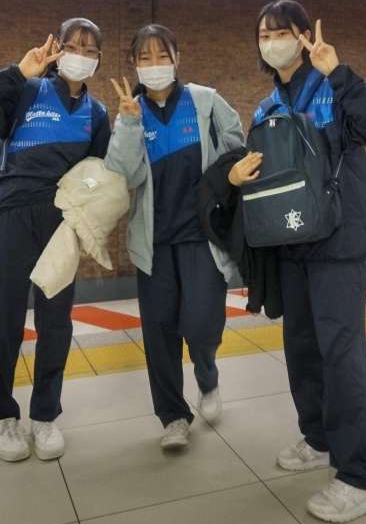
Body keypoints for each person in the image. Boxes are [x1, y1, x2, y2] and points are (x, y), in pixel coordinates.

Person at [229, 0, 366, 523]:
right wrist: (238, 176)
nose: (273, 42)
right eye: (264, 35)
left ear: (302, 35)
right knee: (302, 349)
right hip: (291, 248)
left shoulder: (334, 89)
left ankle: (359, 475)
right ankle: (316, 438)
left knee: (341, 354)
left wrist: (339, 73)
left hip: (337, 244)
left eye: (282, 32)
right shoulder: (266, 107)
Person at [105, 23, 254, 450]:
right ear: (134, 64)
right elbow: (124, 173)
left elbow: (235, 146)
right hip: (154, 242)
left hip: (201, 236)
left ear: (176, 58)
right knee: (160, 332)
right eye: (145, 58)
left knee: (203, 323)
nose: (154, 65)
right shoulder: (131, 111)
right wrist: (128, 125)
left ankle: (207, 374)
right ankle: (173, 416)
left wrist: (226, 179)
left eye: (162, 56)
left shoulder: (204, 101)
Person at [0, 18, 110, 462]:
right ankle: (1, 415)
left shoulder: (97, 114)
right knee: (5, 318)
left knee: (55, 322)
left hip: (59, 224)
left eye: (89, 48)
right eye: (72, 45)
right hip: (10, 216)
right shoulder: (27, 91)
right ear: (57, 49)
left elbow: (98, 174)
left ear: (98, 59)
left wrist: (82, 217)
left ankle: (45, 414)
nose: (80, 54)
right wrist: (17, 72)